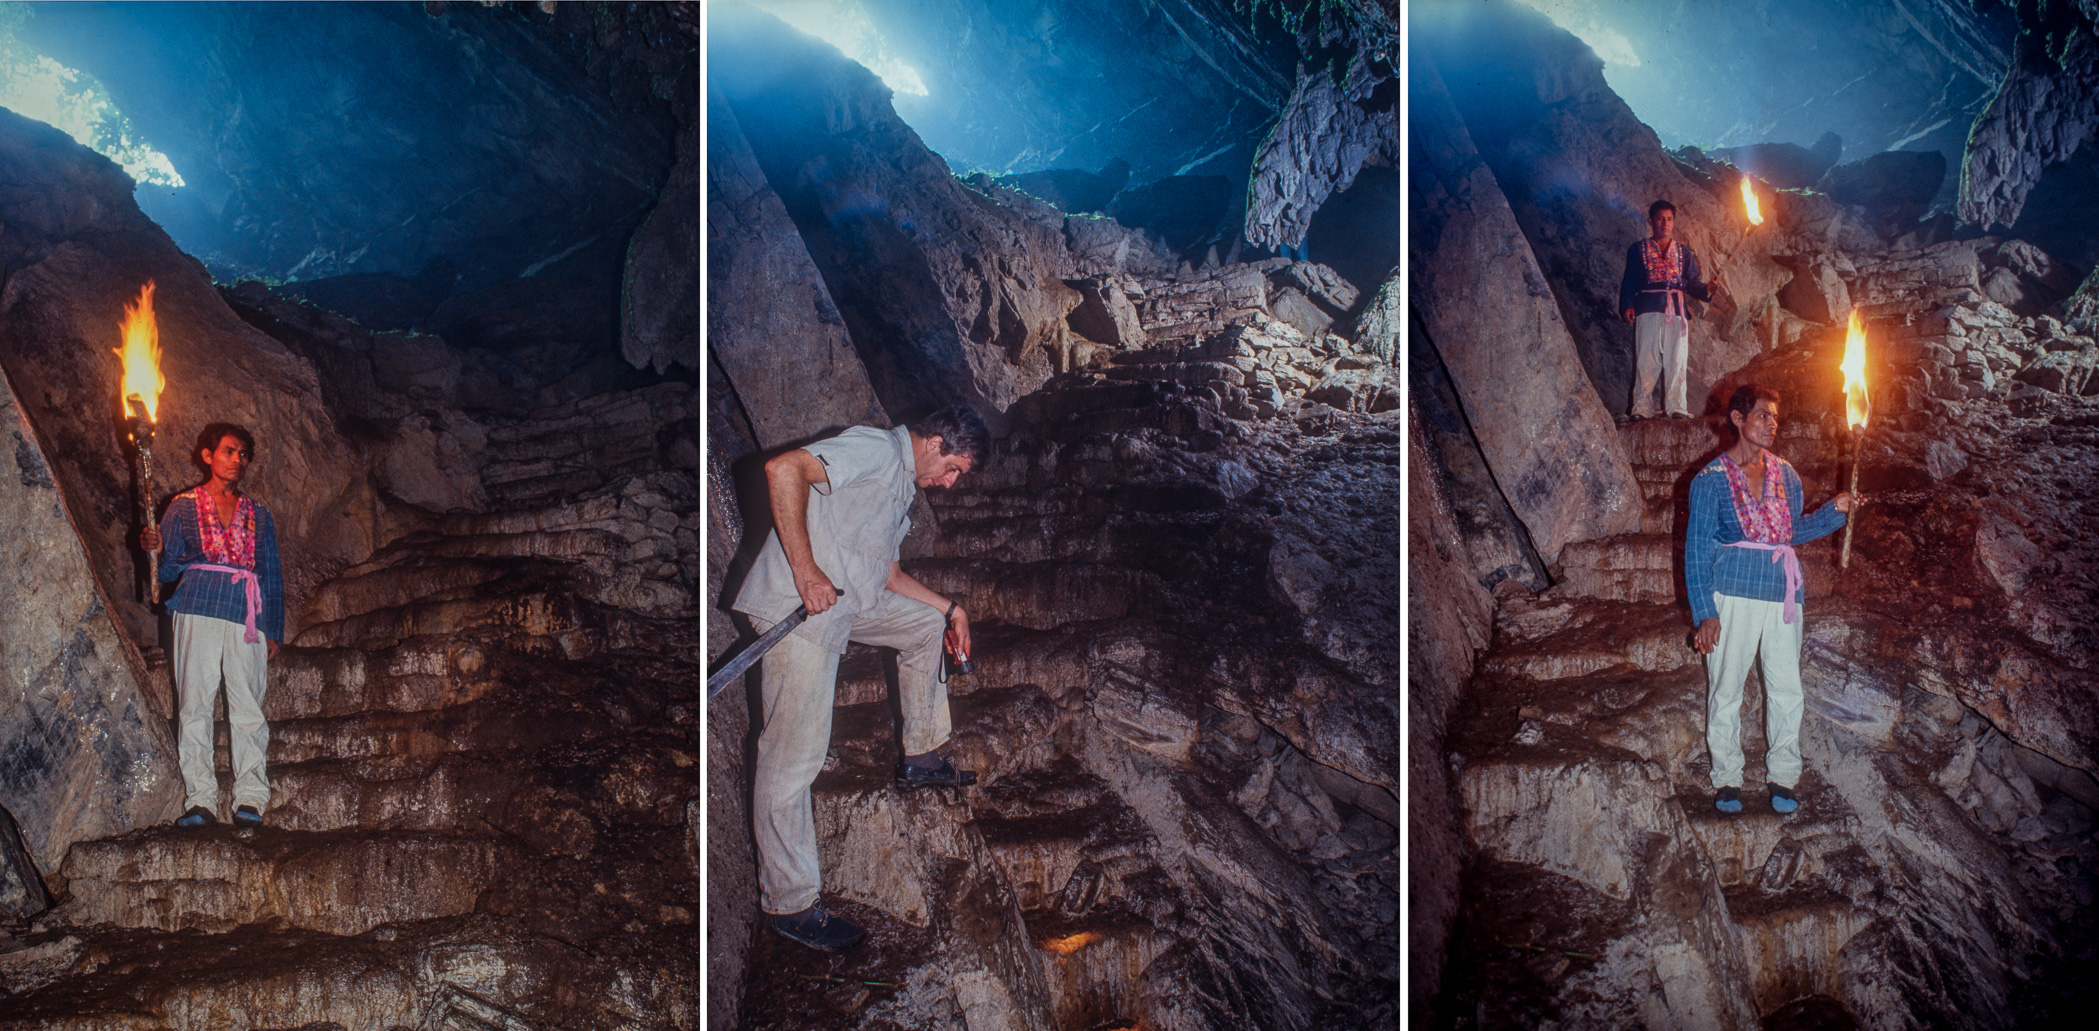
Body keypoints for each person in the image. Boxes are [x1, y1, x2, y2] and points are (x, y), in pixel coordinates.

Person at [732, 404, 992, 953]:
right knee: (793, 758)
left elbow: (889, 574)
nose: (948, 484)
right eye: (953, 469)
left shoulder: (900, 485)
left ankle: (921, 755)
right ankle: (790, 903)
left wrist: (951, 610)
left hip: (847, 605)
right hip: (797, 610)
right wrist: (805, 570)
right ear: (935, 440)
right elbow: (784, 469)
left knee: (925, 625)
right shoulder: (876, 450)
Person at [1686, 386, 1858, 815]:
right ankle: (1727, 778)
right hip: (1732, 594)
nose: (1772, 425)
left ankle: (1783, 775)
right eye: (1763, 416)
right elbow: (1697, 550)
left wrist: (1834, 511)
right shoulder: (1710, 481)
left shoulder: (1787, 476)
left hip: (1783, 594)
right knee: (1726, 688)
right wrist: (1705, 613)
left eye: (1775, 418)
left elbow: (1789, 533)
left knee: (1786, 687)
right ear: (1738, 419)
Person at [139, 424, 286, 829]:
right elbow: (166, 571)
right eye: (229, 451)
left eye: (243, 454)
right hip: (197, 604)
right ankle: (200, 800)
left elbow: (271, 571)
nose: (237, 459)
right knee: (194, 704)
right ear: (208, 455)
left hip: (246, 612)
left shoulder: (259, 514)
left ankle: (251, 798)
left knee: (248, 706)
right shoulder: (182, 506)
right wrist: (155, 549)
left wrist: (274, 628)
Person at [1620, 199, 1724, 420]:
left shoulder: (1683, 252)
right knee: (1646, 360)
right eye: (1660, 218)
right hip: (1647, 308)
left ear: (1673, 222)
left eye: (1669, 219)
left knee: (1676, 359)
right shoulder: (1638, 249)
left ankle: (1676, 406)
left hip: (1676, 311)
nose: (1664, 223)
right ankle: (1641, 408)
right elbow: (1630, 280)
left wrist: (1707, 289)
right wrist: (1628, 304)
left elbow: (1692, 283)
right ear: (1651, 221)